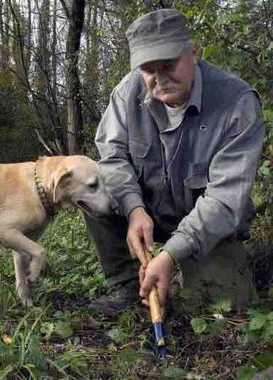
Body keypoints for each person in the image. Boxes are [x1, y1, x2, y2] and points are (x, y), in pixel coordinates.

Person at [84, 8, 265, 315]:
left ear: (192, 52)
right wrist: (133, 209)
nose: (160, 79)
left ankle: (174, 273)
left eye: (169, 65)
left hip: (208, 231)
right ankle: (129, 285)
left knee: (216, 304)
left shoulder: (237, 103)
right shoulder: (127, 92)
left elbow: (224, 200)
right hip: (149, 217)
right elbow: (112, 156)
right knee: (93, 186)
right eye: (148, 69)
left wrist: (171, 253)